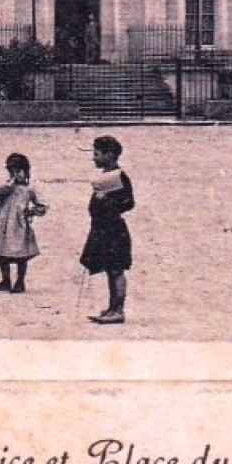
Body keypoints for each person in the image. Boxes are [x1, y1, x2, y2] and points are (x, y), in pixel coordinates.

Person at [80, 134, 134, 324]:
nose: (94, 158)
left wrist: (109, 200)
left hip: (114, 230)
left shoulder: (119, 176)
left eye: (97, 154)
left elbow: (129, 203)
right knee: (110, 269)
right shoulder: (104, 175)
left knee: (116, 269)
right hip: (102, 229)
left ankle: (118, 310)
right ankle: (112, 308)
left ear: (110, 155)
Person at [0, 152, 47, 293]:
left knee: (21, 254)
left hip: (20, 226)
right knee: (1, 251)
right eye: (13, 171)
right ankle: (6, 280)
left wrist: (31, 211)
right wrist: (9, 185)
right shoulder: (6, 187)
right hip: (3, 225)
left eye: (19, 171)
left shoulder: (30, 188)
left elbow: (42, 205)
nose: (16, 174)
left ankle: (20, 281)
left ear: (26, 171)